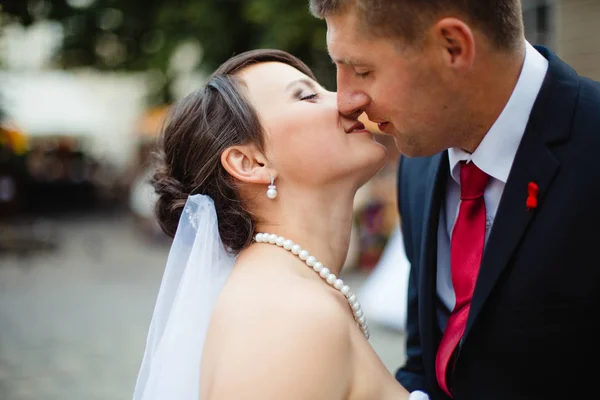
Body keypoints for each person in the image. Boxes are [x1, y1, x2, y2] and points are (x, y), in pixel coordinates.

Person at [310, 0, 600, 399]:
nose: (345, 100)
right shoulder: (420, 165)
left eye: (363, 71)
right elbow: (424, 361)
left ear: (453, 47)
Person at [132, 49, 429, 400]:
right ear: (249, 162)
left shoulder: (292, 293)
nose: (348, 101)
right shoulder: (285, 316)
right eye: (307, 95)